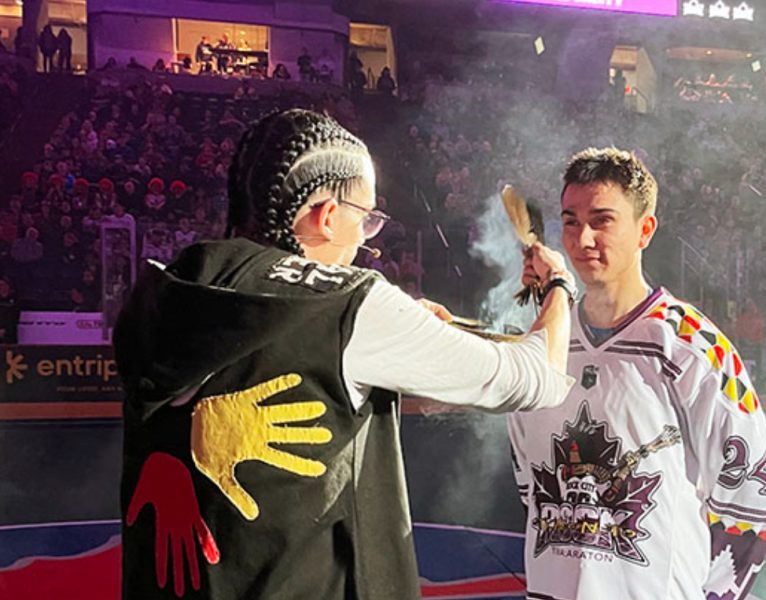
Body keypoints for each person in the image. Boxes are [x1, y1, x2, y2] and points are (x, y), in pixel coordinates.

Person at [113, 109, 575, 600]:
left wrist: (402, 325)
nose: (366, 240)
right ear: (326, 216)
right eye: (367, 217)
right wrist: (559, 285)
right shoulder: (350, 304)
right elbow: (534, 376)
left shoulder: (166, 290)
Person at [508, 148, 766, 600]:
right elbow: (529, 483)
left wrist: (714, 594)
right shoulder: (543, 345)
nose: (582, 240)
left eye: (602, 220)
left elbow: (760, 488)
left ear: (644, 230)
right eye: (571, 221)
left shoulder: (695, 345)